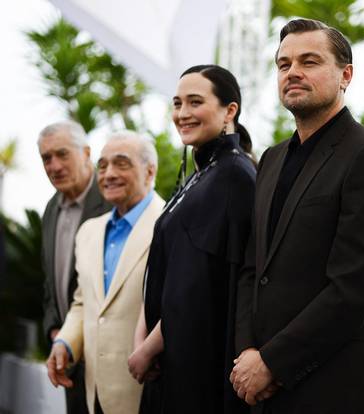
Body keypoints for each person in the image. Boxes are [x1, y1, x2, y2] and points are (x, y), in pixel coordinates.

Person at [231, 18, 364, 414]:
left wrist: (273, 362)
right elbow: (251, 268)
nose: (293, 72)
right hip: (260, 388)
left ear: (345, 75)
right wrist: (247, 355)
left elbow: (352, 289)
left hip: (332, 388)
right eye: (283, 64)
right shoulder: (271, 159)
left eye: (309, 61)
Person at [129, 64, 255, 414]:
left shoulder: (233, 177)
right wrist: (145, 340)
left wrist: (147, 349)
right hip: (171, 358)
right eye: (177, 103)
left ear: (230, 110)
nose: (182, 114)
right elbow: (164, 272)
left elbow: (197, 287)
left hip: (198, 366)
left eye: (195, 102)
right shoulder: (203, 174)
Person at [46, 131, 165, 414]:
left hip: (148, 391)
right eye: (102, 165)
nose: (108, 174)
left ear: (150, 171)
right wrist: (65, 342)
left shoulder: (169, 224)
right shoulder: (89, 231)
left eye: (121, 163)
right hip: (93, 394)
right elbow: (83, 302)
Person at [39, 121, 112, 414]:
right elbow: (49, 284)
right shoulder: (50, 209)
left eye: (62, 154)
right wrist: (55, 330)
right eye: (46, 158)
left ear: (86, 153)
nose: (54, 166)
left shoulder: (112, 202)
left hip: (108, 361)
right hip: (67, 360)